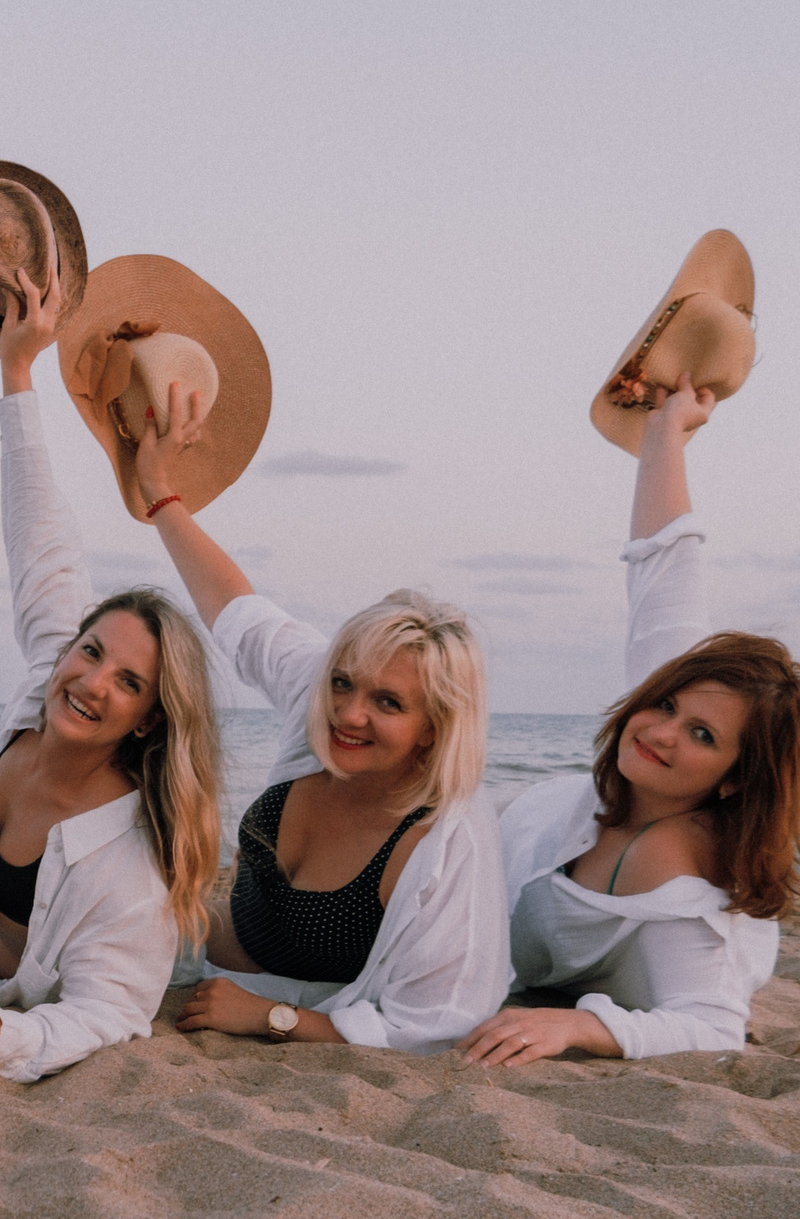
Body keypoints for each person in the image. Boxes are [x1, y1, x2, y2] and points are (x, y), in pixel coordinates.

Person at [109, 303, 508, 1049]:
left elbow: (441, 1019)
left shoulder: (446, 840)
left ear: (435, 731)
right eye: (343, 682)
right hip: (183, 940)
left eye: (387, 702)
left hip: (228, 986)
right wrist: (159, 492)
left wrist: (275, 1019)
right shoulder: (318, 701)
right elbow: (236, 609)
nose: (347, 713)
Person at [0, 260, 225, 1083]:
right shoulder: (55, 673)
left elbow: (111, 1011)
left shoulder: (129, 853)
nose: (93, 682)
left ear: (150, 717)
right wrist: (17, 373)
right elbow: (39, 534)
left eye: (129, 683)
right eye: (93, 653)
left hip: (15, 932)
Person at [462, 365, 800, 1066]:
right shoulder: (680, 693)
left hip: (524, 879)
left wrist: (575, 1028)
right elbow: (665, 564)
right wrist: (666, 433)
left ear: (731, 778)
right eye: (666, 705)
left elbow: (713, 1026)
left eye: (702, 735)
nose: (660, 730)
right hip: (520, 826)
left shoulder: (681, 883)